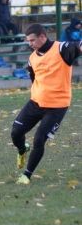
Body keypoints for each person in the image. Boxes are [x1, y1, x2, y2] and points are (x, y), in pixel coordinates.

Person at [11, 23, 82, 184]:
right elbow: (34, 78)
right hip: (35, 103)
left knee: (39, 139)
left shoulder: (61, 49)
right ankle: (22, 149)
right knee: (15, 133)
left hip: (57, 106)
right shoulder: (32, 57)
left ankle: (26, 176)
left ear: (42, 37)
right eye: (28, 41)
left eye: (32, 40)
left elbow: (78, 46)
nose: (30, 44)